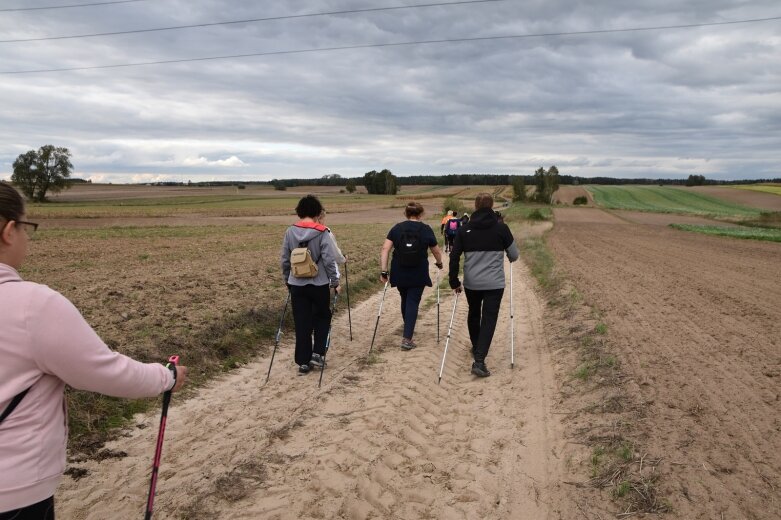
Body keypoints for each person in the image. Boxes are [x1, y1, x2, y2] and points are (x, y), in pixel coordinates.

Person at [0, 181, 188, 519]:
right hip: (13, 491)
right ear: (10, 230)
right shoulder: (32, 305)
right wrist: (166, 376)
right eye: (27, 227)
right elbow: (107, 372)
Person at [449, 193, 519, 377]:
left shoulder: (464, 229)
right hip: (494, 283)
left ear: (475, 206)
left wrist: (454, 280)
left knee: (474, 313)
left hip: (472, 283)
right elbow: (514, 255)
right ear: (492, 205)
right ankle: (479, 360)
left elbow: (454, 256)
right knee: (489, 318)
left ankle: (476, 346)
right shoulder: (502, 228)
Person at [281, 195, 342, 374]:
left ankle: (303, 361)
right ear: (317, 211)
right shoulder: (322, 232)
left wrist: (288, 279)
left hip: (297, 284)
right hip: (319, 284)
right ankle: (318, 353)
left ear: (299, 211)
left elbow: (285, 259)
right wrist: (335, 281)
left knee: (302, 322)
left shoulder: (290, 231)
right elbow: (329, 260)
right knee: (322, 317)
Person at [380, 202, 443, 350]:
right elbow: (436, 251)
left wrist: (383, 270)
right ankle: (407, 338)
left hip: (399, 270)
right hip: (418, 271)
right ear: (421, 214)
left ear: (406, 214)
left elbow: (385, 249)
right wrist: (439, 263)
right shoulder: (426, 229)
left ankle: (407, 326)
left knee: (405, 298)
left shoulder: (396, 228)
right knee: (413, 301)